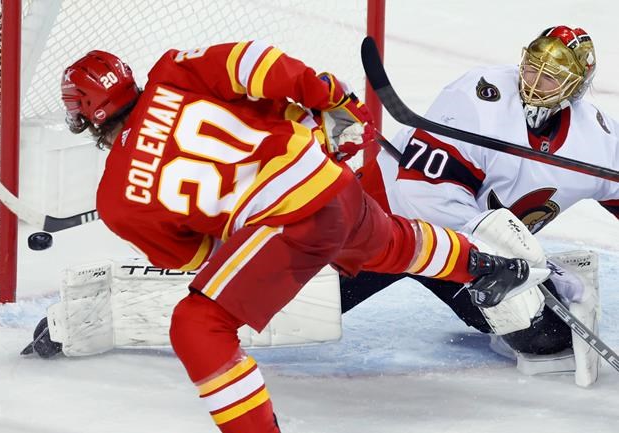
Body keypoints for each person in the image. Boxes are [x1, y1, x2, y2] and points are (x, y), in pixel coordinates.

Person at [58, 41, 529, 432]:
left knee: (197, 324)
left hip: (288, 224)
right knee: (389, 244)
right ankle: (486, 264)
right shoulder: (174, 71)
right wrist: (330, 97)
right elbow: (259, 65)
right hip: (333, 188)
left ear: (86, 115)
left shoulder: (116, 201)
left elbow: (199, 256)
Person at [342, 26, 618, 383]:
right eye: (531, 67)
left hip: (477, 259)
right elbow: (423, 197)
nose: (534, 81)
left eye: (551, 76)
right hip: (387, 222)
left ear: (576, 87)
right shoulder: (477, 96)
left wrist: (529, 269)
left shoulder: (596, 139)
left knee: (549, 336)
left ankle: (508, 320)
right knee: (289, 308)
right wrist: (533, 262)